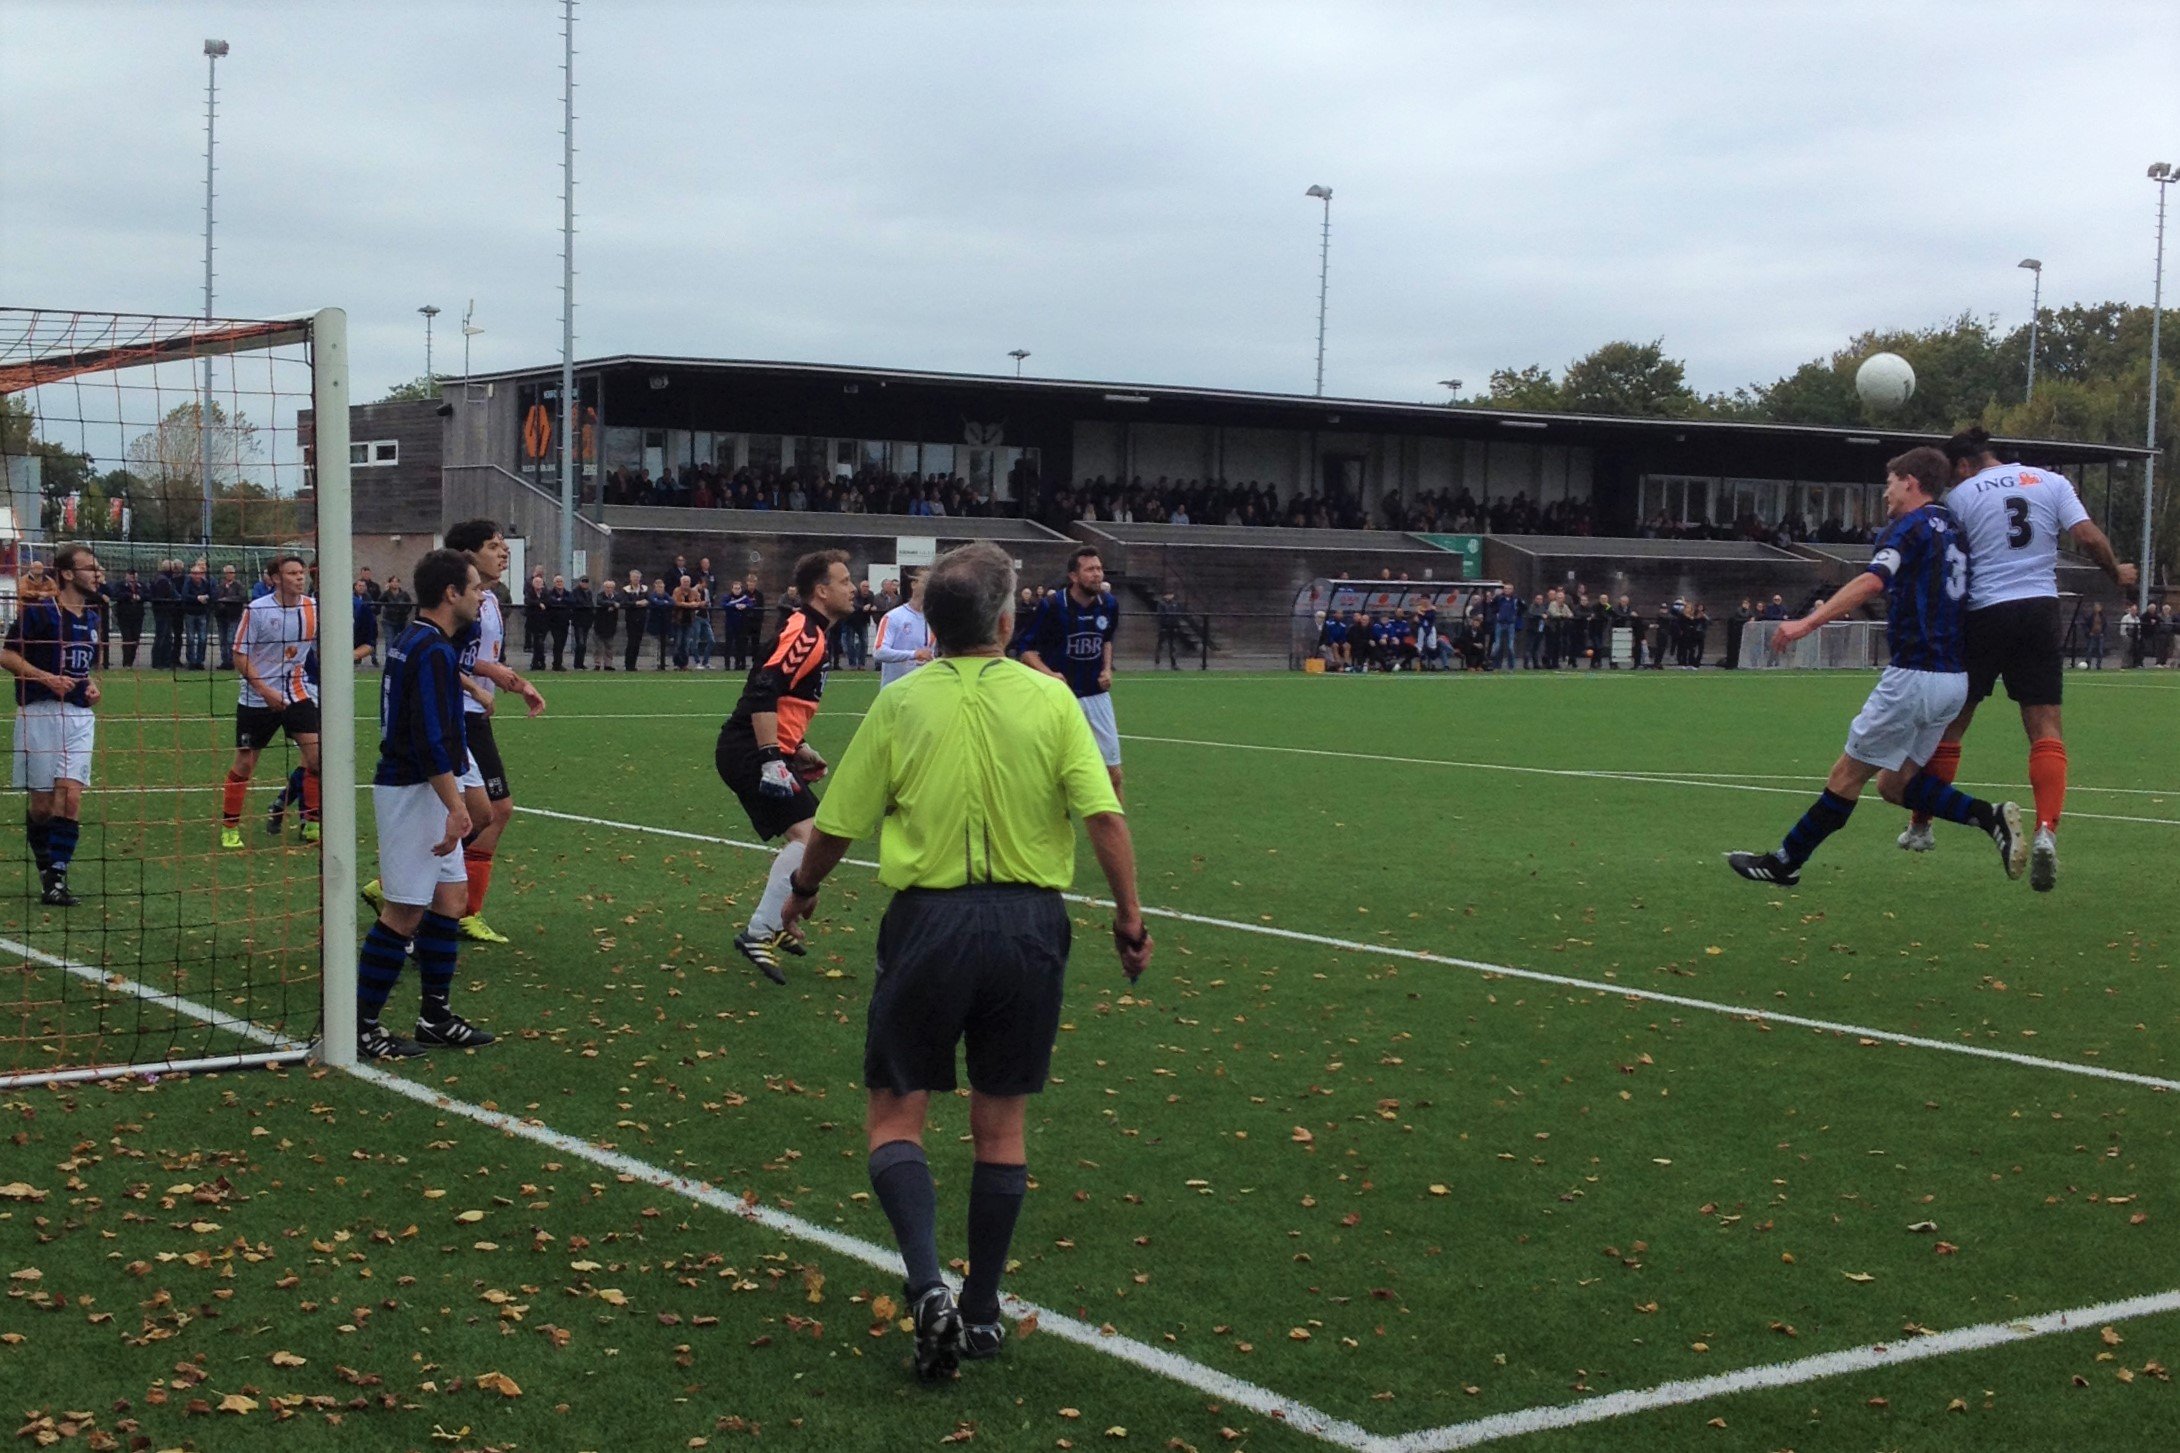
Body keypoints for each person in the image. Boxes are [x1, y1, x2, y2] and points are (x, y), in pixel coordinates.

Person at [775, 541, 1151, 1380]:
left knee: (895, 1108)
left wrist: (802, 888)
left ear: (928, 627)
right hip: (1029, 925)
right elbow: (1104, 816)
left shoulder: (901, 704)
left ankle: (926, 1286)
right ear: (1009, 619)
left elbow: (837, 824)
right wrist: (1128, 919)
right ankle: (982, 1312)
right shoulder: (1052, 703)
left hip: (930, 922)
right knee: (1001, 1123)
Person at [1726, 447, 2026, 887]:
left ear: (1911, 482)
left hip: (1914, 676)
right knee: (1894, 785)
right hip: (1952, 680)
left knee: (1845, 776)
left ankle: (1785, 861)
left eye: (1890, 482)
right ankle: (1990, 817)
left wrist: (1805, 622)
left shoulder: (1908, 528)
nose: (1886, 492)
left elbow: (1871, 581)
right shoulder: (1954, 529)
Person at [1896, 428, 2137, 891]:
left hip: (1985, 612)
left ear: (1963, 465)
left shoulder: (1961, 497)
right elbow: (2087, 536)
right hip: (2039, 610)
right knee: (2045, 726)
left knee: (1954, 722)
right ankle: (2047, 830)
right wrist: (2116, 572)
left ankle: (1921, 827)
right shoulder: (2050, 482)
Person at [355, 546, 495, 1060]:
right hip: (414, 790)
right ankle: (361, 1026)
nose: (483, 596)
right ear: (450, 593)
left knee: (450, 901)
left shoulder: (419, 639)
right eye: (476, 587)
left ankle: (435, 1017)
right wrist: (454, 804)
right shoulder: (432, 650)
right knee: (403, 912)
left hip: (426, 787)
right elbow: (430, 735)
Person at [392, 519, 547, 945]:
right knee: (489, 812)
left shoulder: (488, 601)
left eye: (503, 545)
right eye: (494, 546)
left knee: (488, 813)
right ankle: (429, 896)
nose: (505, 551)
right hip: (458, 715)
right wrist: (482, 680)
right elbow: (453, 655)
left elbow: (477, 656)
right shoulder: (458, 609)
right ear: (467, 556)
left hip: (473, 713)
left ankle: (447, 902)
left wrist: (513, 682)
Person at [714, 549, 857, 978]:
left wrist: (797, 747)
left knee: (810, 836)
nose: (853, 588)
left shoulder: (814, 632)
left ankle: (770, 925)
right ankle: (761, 929)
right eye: (845, 581)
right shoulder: (806, 632)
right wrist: (772, 758)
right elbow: (762, 691)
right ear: (822, 590)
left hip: (760, 748)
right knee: (813, 837)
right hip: (748, 750)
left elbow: (781, 700)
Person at [1, 543, 103, 906]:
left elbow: (82, 667)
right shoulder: (40, 613)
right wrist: (46, 678)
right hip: (39, 713)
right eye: (90, 567)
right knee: (42, 807)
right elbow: (7, 654)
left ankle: (57, 878)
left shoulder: (92, 617)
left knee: (71, 797)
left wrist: (90, 685)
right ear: (68, 574)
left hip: (77, 717)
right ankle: (46, 869)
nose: (97, 572)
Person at [219, 556, 323, 849]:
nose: (299, 578)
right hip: (257, 698)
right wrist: (264, 690)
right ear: (275, 578)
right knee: (245, 763)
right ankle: (229, 827)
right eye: (292, 573)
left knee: (317, 759)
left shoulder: (312, 608)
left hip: (297, 693)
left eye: (301, 573)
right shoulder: (257, 610)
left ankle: (312, 823)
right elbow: (239, 656)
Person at [1022, 547, 1124, 802]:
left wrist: (1106, 668)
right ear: (1074, 576)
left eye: (1099, 569)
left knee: (1114, 773)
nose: (1097, 574)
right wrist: (1050, 674)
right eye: (1090, 569)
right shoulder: (1052, 606)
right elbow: (1025, 650)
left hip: (1096, 696)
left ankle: (1117, 833)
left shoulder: (1109, 604)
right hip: (1059, 699)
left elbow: (1107, 640)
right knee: (1049, 774)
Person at [873, 570, 933, 689]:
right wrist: (914, 654)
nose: (929, 586)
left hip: (921, 692)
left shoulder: (934, 620)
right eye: (926, 581)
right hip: (894, 691)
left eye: (932, 583)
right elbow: (879, 651)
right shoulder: (893, 617)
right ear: (914, 584)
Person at [181, 560, 214, 670]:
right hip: (190, 613)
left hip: (202, 613)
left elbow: (213, 594)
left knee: (202, 638)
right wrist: (197, 598)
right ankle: (191, 661)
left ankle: (200, 661)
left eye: (198, 573)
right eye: (194, 573)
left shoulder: (206, 583)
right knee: (190, 638)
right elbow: (185, 596)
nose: (196, 576)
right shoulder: (188, 582)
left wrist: (206, 598)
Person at [148, 560, 181, 669]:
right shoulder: (163, 580)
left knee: (166, 637)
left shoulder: (163, 579)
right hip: (163, 613)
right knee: (162, 637)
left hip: (164, 612)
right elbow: (167, 596)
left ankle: (164, 661)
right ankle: (159, 662)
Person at [214, 564, 248, 670]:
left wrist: (227, 599)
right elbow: (216, 597)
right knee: (222, 639)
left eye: (231, 572)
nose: (228, 575)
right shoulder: (220, 585)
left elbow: (242, 597)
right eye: (227, 573)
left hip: (234, 616)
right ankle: (225, 661)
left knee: (231, 639)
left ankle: (231, 661)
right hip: (221, 616)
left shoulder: (239, 585)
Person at [111, 569, 146, 668]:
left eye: (134, 576)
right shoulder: (120, 585)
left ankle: (130, 660)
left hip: (138, 616)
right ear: (126, 576)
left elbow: (148, 595)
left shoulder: (141, 585)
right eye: (131, 576)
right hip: (124, 616)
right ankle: (126, 663)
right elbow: (115, 595)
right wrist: (130, 596)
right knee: (127, 638)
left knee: (136, 638)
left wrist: (140, 597)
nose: (133, 579)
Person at [721, 579, 756, 670]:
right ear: (732, 589)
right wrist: (735, 606)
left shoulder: (744, 597)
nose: (737, 590)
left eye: (738, 588)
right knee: (728, 645)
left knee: (739, 645)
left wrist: (745, 606)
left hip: (741, 625)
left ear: (741, 589)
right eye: (735, 588)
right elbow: (724, 605)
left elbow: (751, 604)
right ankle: (727, 665)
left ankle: (737, 664)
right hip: (730, 624)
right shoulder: (727, 597)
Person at [621, 569, 650, 672]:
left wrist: (645, 602)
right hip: (631, 619)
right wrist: (636, 603)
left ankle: (633, 664)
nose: (636, 579)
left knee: (638, 642)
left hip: (641, 618)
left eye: (637, 577)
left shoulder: (644, 589)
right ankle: (628, 664)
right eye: (634, 577)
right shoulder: (626, 589)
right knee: (631, 642)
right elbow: (624, 603)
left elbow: (648, 600)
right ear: (630, 578)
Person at [671, 573, 702, 668]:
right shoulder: (677, 591)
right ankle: (676, 663)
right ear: (681, 582)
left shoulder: (693, 592)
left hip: (689, 621)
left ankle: (684, 664)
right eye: (684, 581)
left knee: (686, 643)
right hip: (678, 621)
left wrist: (696, 604)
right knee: (678, 643)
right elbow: (675, 602)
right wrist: (689, 605)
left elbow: (699, 602)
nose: (686, 583)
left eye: (688, 581)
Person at [1154, 589, 1189, 670]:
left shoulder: (1175, 604)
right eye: (1168, 594)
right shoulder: (1161, 604)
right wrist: (1163, 624)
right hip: (1164, 626)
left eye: (1171, 594)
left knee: (1172, 645)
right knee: (1161, 643)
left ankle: (1173, 663)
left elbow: (1178, 614)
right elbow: (1161, 615)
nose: (1170, 596)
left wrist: (1176, 625)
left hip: (1173, 626)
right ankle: (1157, 659)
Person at [647, 577, 675, 669]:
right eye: (658, 587)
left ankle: (661, 661)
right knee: (655, 643)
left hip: (664, 623)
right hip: (654, 623)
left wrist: (663, 603)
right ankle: (656, 661)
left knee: (663, 643)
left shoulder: (666, 595)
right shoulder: (652, 595)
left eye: (661, 587)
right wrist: (664, 603)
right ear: (655, 587)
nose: (660, 588)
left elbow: (672, 603)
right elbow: (656, 602)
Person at [593, 577, 620, 668]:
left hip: (611, 624)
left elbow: (620, 603)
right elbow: (600, 602)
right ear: (604, 587)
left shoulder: (617, 595)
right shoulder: (600, 595)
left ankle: (608, 664)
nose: (609, 589)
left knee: (609, 646)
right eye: (607, 587)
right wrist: (612, 604)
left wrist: (613, 605)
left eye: (610, 587)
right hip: (600, 624)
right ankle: (597, 663)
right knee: (598, 647)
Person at [568, 576, 593, 670]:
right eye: (583, 582)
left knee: (584, 643)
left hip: (586, 621)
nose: (585, 584)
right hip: (578, 621)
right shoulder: (575, 592)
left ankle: (580, 663)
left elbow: (590, 604)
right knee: (580, 643)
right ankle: (577, 663)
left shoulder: (589, 592)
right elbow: (578, 603)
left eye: (586, 582)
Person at [380, 574, 414, 642]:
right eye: (393, 581)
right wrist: (386, 591)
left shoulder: (404, 594)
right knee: (389, 640)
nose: (395, 583)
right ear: (389, 583)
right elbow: (380, 601)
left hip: (401, 620)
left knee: (400, 640)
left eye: (397, 582)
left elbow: (409, 605)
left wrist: (404, 612)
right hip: (388, 620)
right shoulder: (387, 594)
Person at [2085, 603, 2107, 671]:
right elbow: (2086, 625)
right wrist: (2089, 632)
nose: (2097, 609)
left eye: (2098, 607)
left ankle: (2098, 665)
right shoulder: (2091, 616)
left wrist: (2103, 633)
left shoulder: (2102, 616)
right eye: (2096, 607)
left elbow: (2105, 625)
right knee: (2090, 650)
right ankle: (2088, 665)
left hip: (2100, 635)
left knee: (2100, 651)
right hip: (2092, 635)